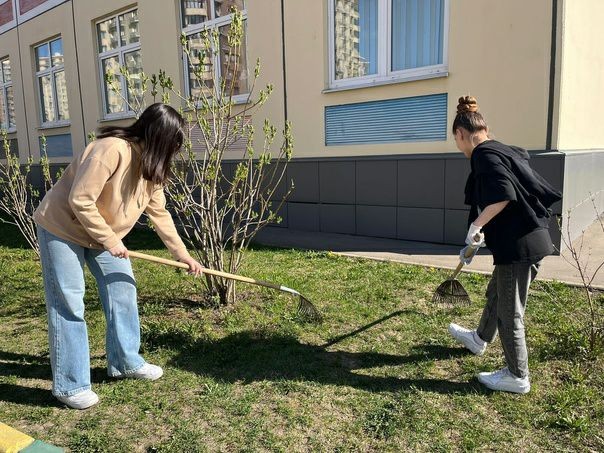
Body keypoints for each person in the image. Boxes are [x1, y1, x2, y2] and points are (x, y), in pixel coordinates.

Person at [34, 103, 203, 409]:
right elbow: (80, 200)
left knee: (122, 288)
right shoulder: (111, 150)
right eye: (173, 145)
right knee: (69, 302)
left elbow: (160, 214)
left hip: (102, 234)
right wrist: (110, 239)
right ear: (158, 137)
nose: (174, 153)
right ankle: (70, 385)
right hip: (61, 227)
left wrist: (183, 255)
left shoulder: (152, 168)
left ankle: (126, 362)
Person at [447, 96, 561, 394]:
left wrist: (476, 225)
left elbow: (503, 194)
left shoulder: (483, 155)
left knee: (510, 312)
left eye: (456, 140)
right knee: (496, 292)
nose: (458, 147)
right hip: (525, 239)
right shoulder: (500, 149)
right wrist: (480, 238)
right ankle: (480, 338)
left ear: (460, 134)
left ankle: (517, 376)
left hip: (519, 248)